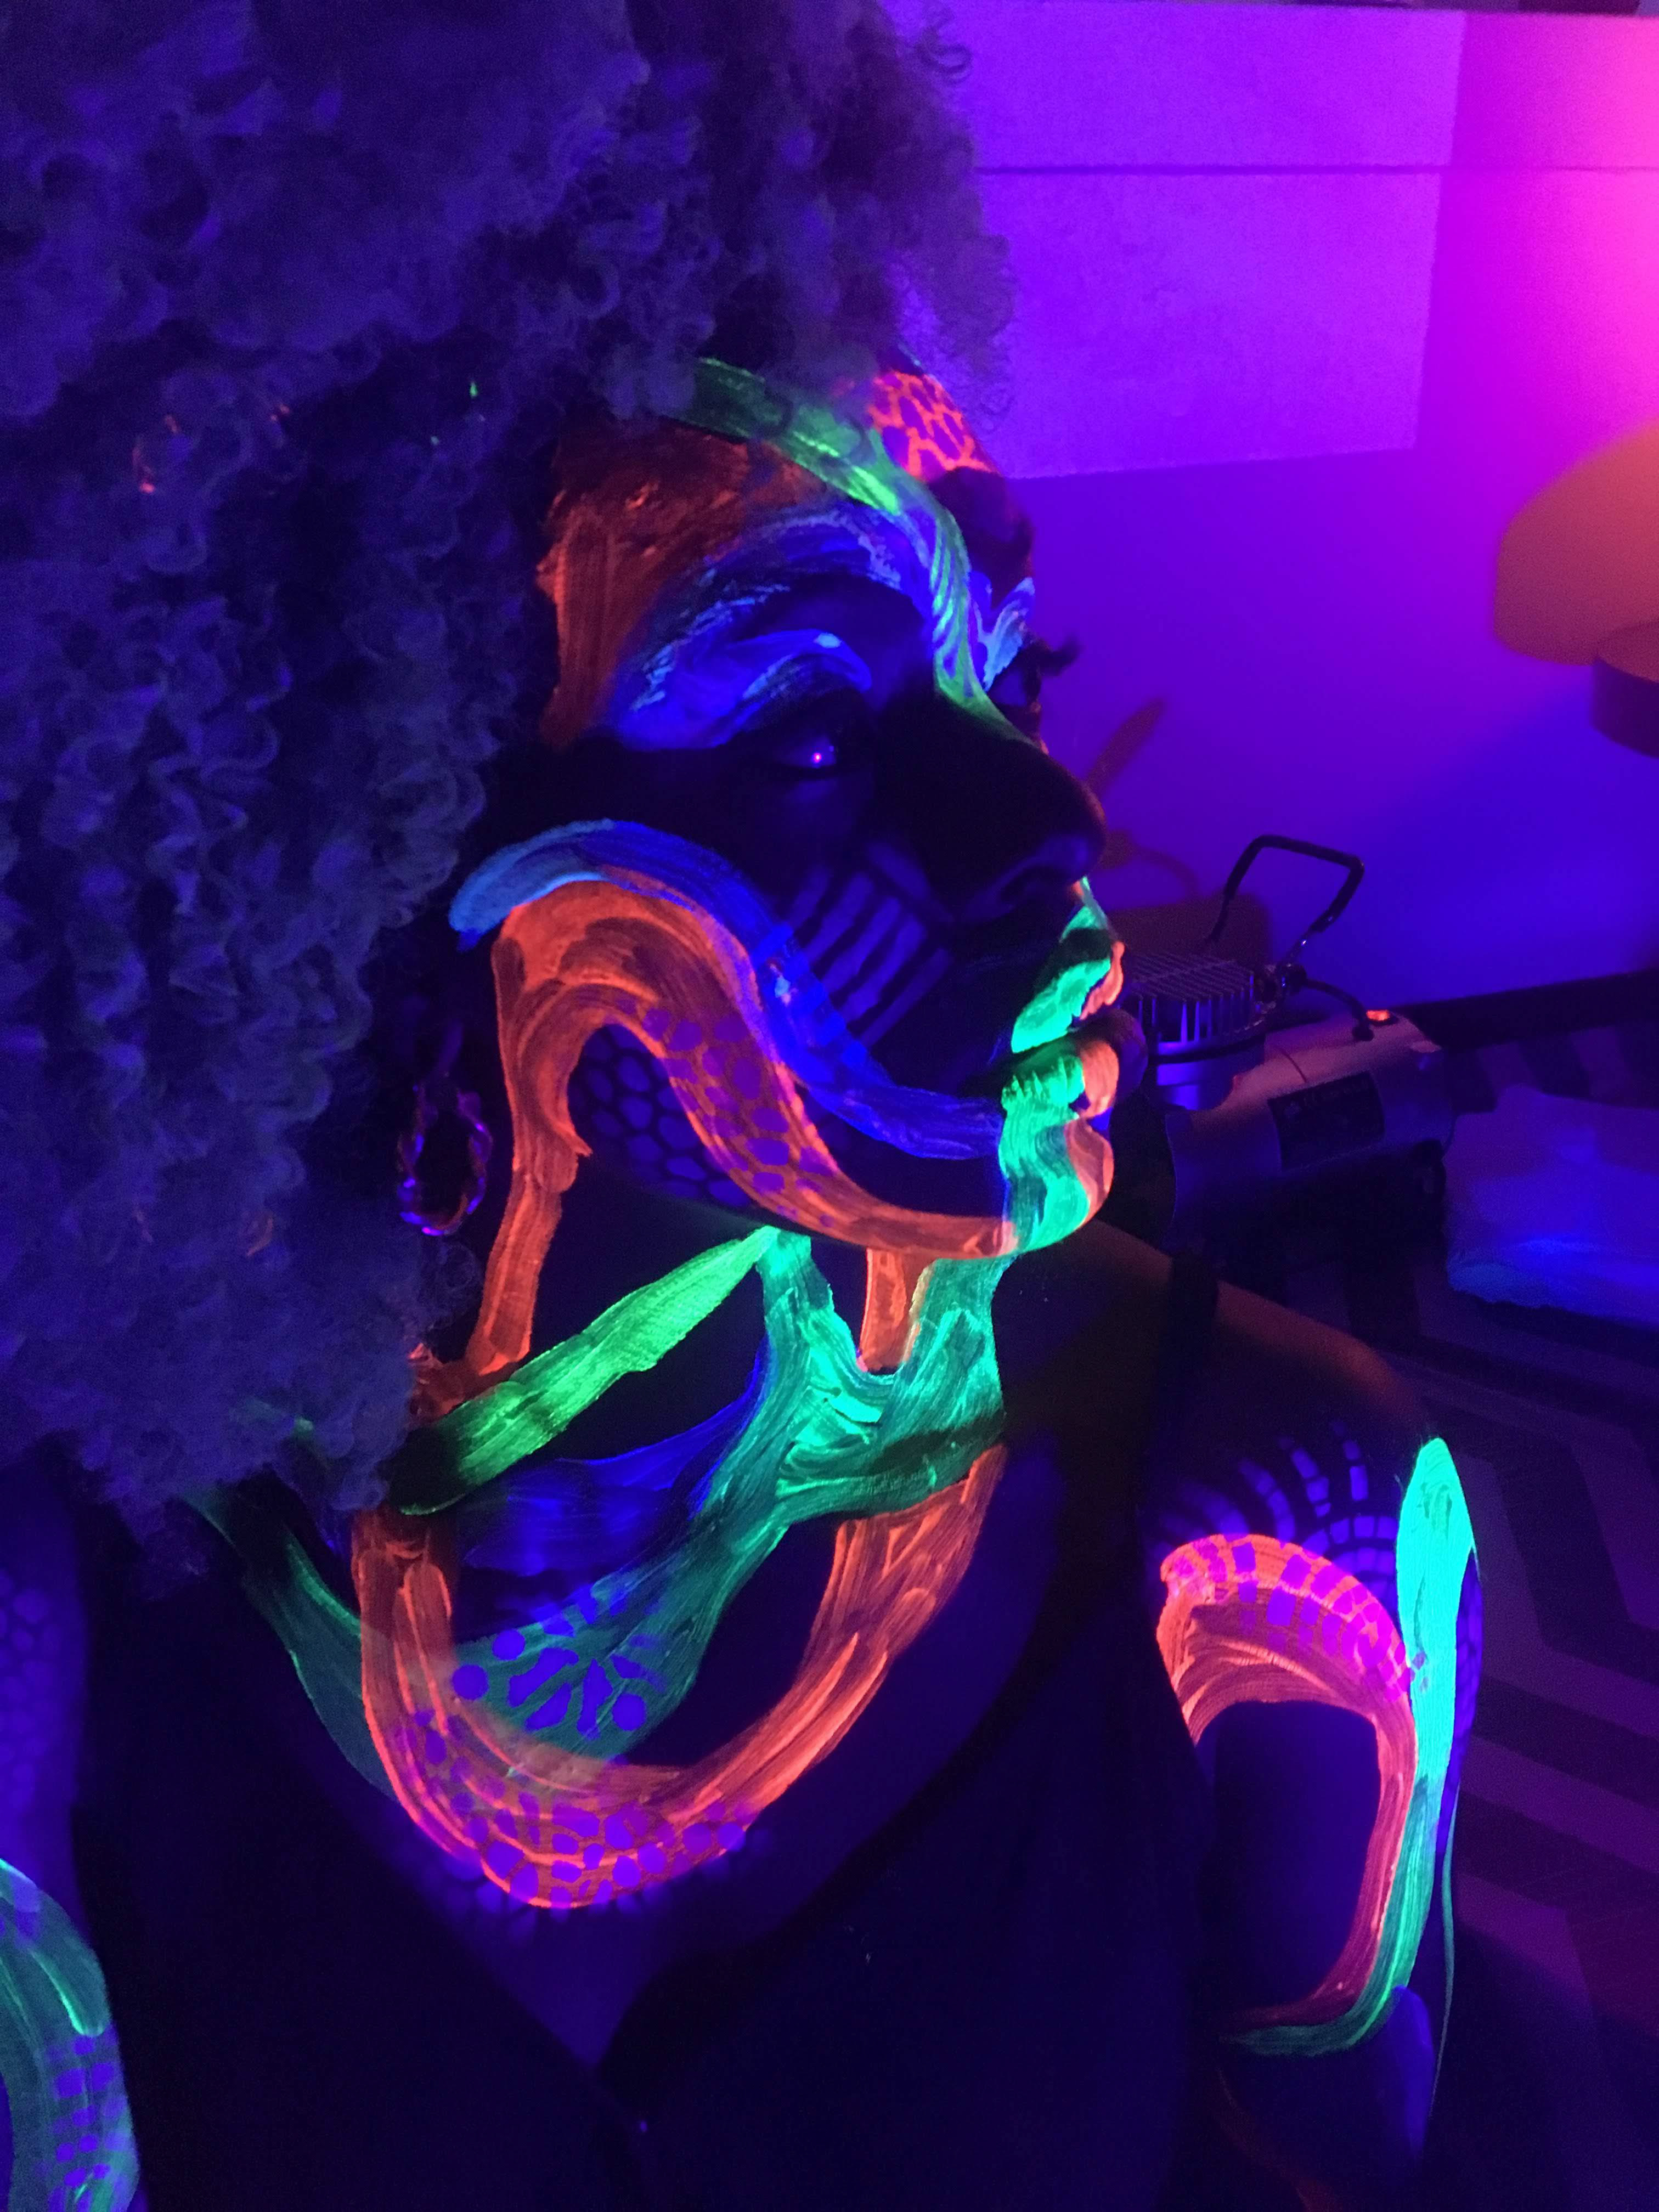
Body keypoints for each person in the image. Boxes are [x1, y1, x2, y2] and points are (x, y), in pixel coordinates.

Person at [0, 5, 1477, 2207]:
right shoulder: (67, 1611)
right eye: (801, 722)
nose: (1045, 824)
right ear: (346, 849)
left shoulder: (1286, 1540)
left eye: (1009, 668)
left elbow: (1356, 2167)